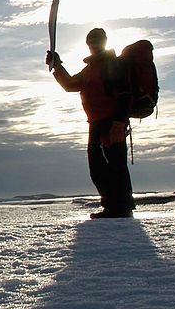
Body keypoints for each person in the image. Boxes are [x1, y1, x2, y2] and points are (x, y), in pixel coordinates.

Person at [46, 28, 134, 218]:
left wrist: (118, 124)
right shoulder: (91, 68)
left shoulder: (113, 65)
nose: (93, 44)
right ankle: (113, 206)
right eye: (90, 41)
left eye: (96, 40)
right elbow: (70, 85)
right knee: (97, 166)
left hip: (111, 124)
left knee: (115, 165)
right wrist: (57, 65)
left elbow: (125, 95)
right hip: (95, 123)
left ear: (103, 42)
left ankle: (121, 208)